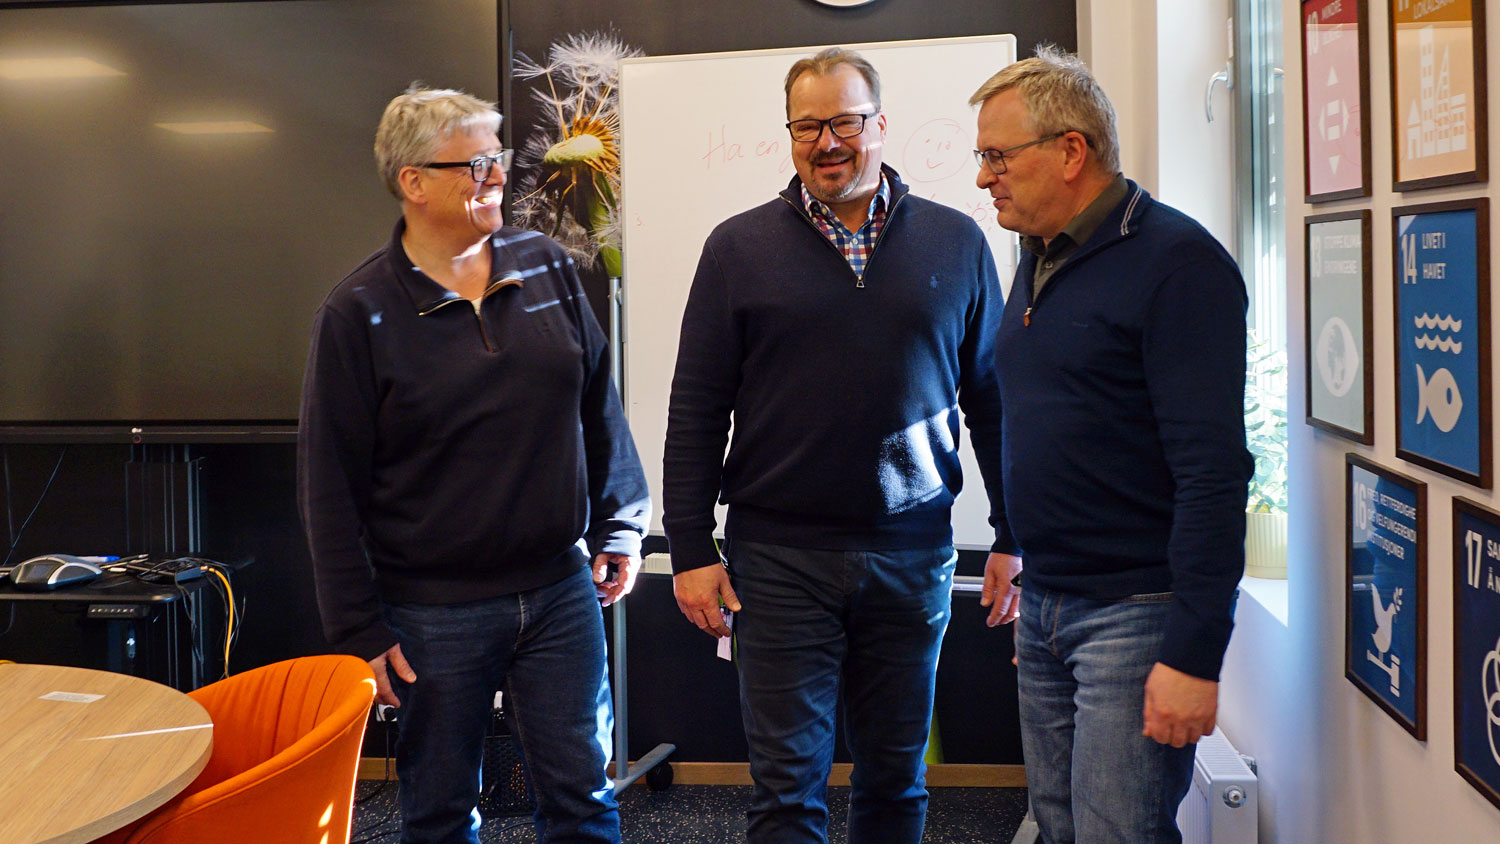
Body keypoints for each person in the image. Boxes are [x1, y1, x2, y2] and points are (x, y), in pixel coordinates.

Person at [663, 47, 1020, 844]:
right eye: (807, 126)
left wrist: (1014, 533)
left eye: (845, 122)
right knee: (787, 793)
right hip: (776, 560)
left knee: (896, 782)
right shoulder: (736, 248)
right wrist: (689, 545)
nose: (827, 142)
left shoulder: (959, 243)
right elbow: (695, 410)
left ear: (881, 125)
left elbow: (994, 400)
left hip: (913, 557)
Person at [297, 84, 649, 844]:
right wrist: (360, 626)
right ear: (411, 182)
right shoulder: (357, 313)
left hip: (561, 592)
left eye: (498, 158)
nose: (496, 176)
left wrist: (623, 522)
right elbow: (329, 489)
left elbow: (600, 407)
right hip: (431, 612)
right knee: (440, 812)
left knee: (585, 798)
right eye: (474, 164)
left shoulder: (547, 265)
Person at [970, 47, 1254, 843]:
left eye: (998, 155)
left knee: (1116, 834)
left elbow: (1213, 474)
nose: (984, 177)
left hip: (1135, 615)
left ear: (1070, 151)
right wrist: (1026, 557)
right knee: (1060, 829)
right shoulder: (1038, 257)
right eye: (982, 157)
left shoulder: (1178, 265)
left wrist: (1194, 655)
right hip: (1049, 605)